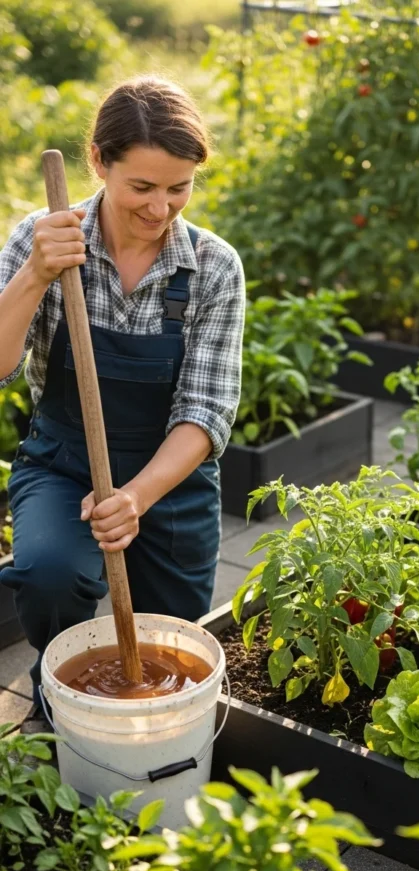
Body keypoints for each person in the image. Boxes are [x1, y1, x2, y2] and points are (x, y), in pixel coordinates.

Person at [0, 76, 245, 730]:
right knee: (51, 574)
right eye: (141, 187)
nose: (161, 208)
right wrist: (35, 275)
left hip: (172, 480)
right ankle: (56, 709)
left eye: (179, 188)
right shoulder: (45, 238)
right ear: (99, 162)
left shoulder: (213, 268)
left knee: (174, 637)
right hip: (63, 461)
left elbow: (207, 411)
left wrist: (136, 497)